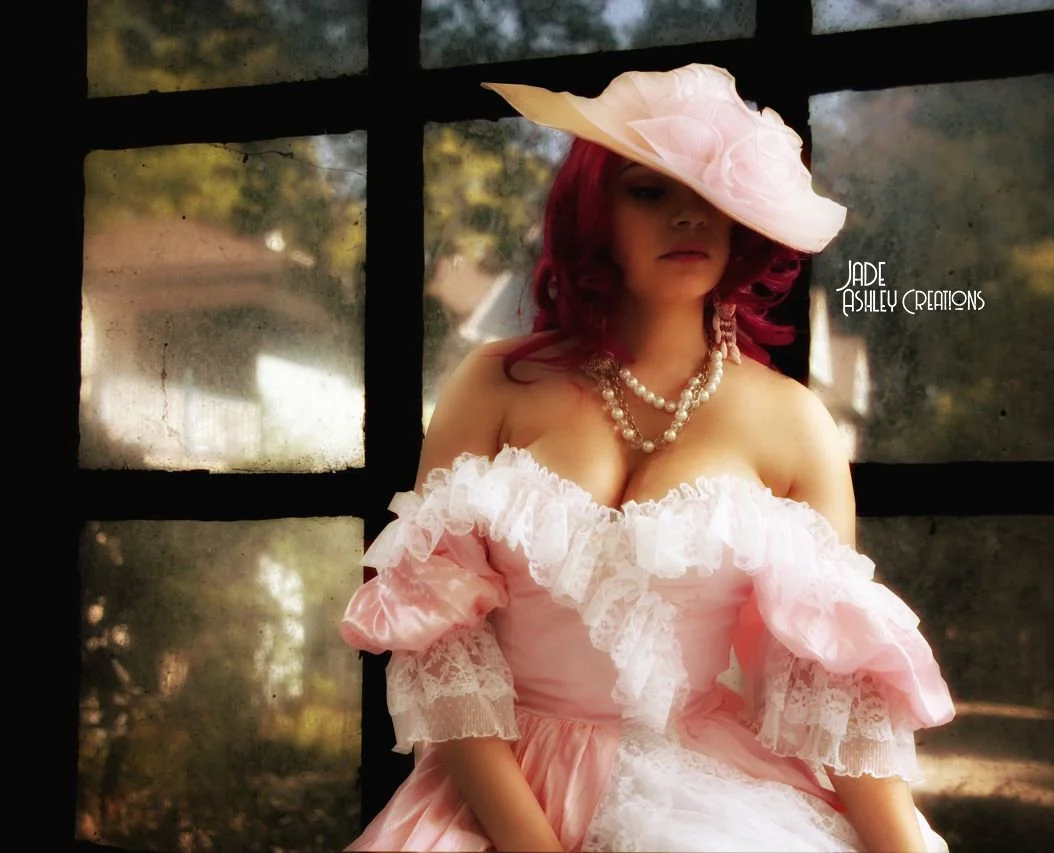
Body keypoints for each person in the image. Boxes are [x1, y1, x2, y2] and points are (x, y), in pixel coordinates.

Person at [339, 62, 956, 852]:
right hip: (492, 796)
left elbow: (830, 677)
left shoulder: (794, 422)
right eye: (649, 190)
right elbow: (439, 641)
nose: (689, 218)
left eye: (711, 198)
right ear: (594, 213)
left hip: (703, 797)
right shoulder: (496, 381)